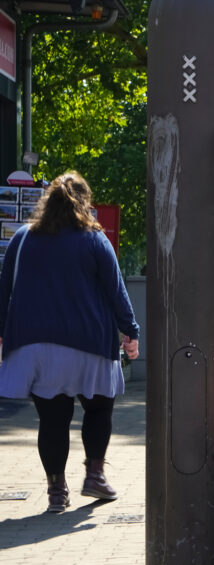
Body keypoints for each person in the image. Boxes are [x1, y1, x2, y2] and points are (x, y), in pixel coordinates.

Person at [0, 172, 140, 513]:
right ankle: (94, 475)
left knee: (53, 419)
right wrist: (130, 332)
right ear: (85, 203)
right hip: (89, 343)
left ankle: (55, 490)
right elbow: (115, 290)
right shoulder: (95, 239)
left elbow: (4, 289)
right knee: (99, 408)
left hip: (37, 346)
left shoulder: (22, 238)